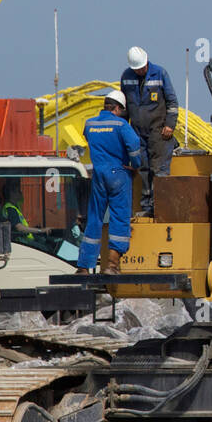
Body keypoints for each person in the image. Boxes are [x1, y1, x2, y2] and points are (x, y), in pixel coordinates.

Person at [75, 90, 142, 276]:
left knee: (94, 218)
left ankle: (83, 266)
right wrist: (135, 165)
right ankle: (112, 265)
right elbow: (135, 144)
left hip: (98, 175)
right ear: (118, 108)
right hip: (118, 174)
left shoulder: (90, 124)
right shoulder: (120, 124)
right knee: (119, 218)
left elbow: (89, 138)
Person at [120, 46, 178, 217]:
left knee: (159, 170)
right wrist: (124, 131)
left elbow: (172, 102)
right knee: (143, 168)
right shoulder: (127, 77)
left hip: (159, 132)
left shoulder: (160, 74)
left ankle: (160, 206)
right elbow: (124, 107)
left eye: (142, 68)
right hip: (137, 132)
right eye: (137, 69)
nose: (140, 71)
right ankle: (147, 207)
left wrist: (170, 125)